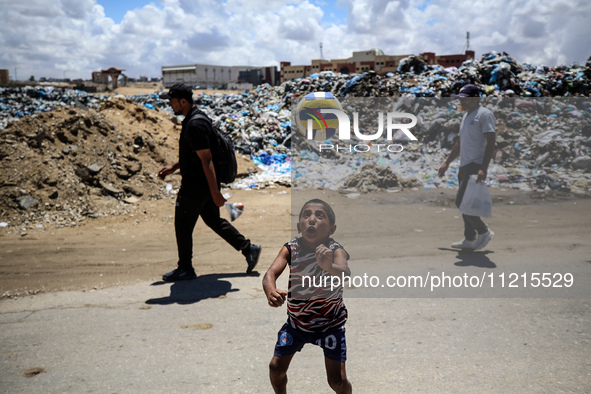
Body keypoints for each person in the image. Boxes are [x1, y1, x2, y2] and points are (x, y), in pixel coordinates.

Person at [158, 83, 261, 281]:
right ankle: (249, 249)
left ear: (183, 101)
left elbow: (206, 159)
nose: (170, 104)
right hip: (202, 183)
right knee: (213, 220)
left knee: (182, 223)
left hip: (197, 184)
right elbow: (195, 154)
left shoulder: (195, 124)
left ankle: (185, 268)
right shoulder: (195, 118)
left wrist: (215, 192)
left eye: (171, 101)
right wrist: (173, 168)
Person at [262, 199, 352, 394]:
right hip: (297, 324)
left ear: (331, 228)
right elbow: (270, 274)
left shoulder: (335, 249)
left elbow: (345, 272)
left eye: (320, 216)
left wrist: (329, 266)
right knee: (275, 368)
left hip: (330, 325)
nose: (312, 220)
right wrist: (271, 291)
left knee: (337, 381)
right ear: (298, 225)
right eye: (306, 215)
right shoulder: (291, 248)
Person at [438, 84, 496, 250]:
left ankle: (484, 231)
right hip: (464, 165)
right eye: (461, 98)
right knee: (467, 203)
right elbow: (460, 142)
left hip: (475, 165)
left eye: (466, 98)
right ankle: (469, 239)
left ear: (476, 97)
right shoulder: (466, 116)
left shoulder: (484, 115)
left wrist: (483, 168)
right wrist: (447, 162)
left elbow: (491, 141)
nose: (463, 101)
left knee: (461, 201)